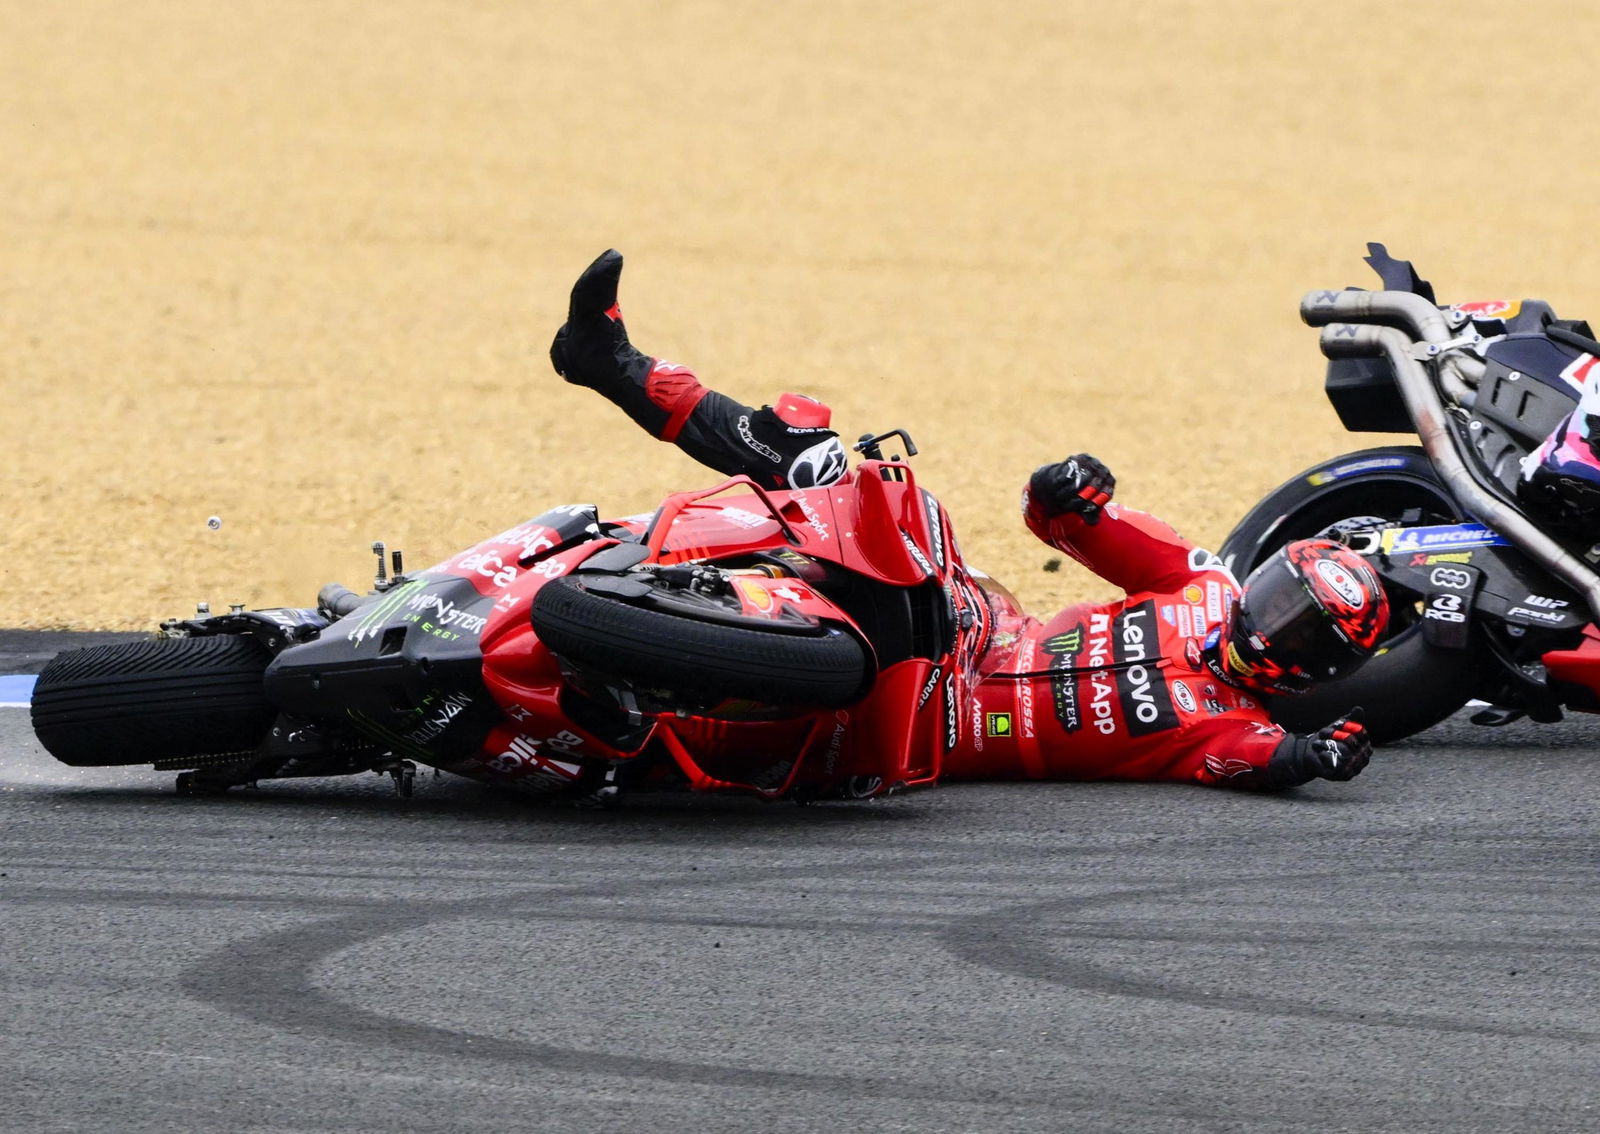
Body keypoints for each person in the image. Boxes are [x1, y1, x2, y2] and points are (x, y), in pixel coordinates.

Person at [549, 250, 1384, 791]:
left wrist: (1314, 758)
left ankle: (592, 726)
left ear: (1314, 672)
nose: (1274, 623)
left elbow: (1258, 762)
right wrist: (1070, 488)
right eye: (1280, 597)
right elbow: (1063, 521)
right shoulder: (1201, 585)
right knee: (817, 463)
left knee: (701, 749)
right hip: (970, 616)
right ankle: (616, 369)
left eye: (1302, 632)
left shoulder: (1230, 723)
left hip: (928, 729)